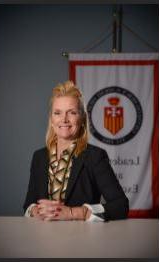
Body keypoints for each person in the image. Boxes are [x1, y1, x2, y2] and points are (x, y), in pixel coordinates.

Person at [23, 80, 129, 222]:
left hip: (81, 239)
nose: (64, 119)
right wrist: (36, 211)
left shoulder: (95, 156)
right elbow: (28, 206)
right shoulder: (39, 157)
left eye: (71, 112)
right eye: (58, 113)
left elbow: (121, 206)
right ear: (51, 119)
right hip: (43, 239)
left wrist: (77, 213)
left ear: (82, 118)